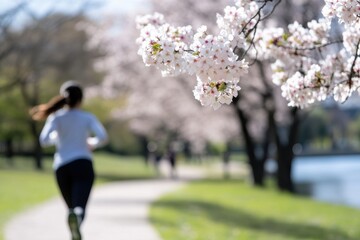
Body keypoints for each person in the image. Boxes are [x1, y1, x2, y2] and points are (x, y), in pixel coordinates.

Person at [30, 81, 108, 240]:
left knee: (71, 205)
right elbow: (103, 137)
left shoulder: (56, 118)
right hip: (83, 164)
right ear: (81, 99)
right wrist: (91, 143)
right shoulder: (87, 117)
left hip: (62, 166)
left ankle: (74, 221)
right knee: (80, 205)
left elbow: (44, 140)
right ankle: (77, 221)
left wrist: (56, 137)